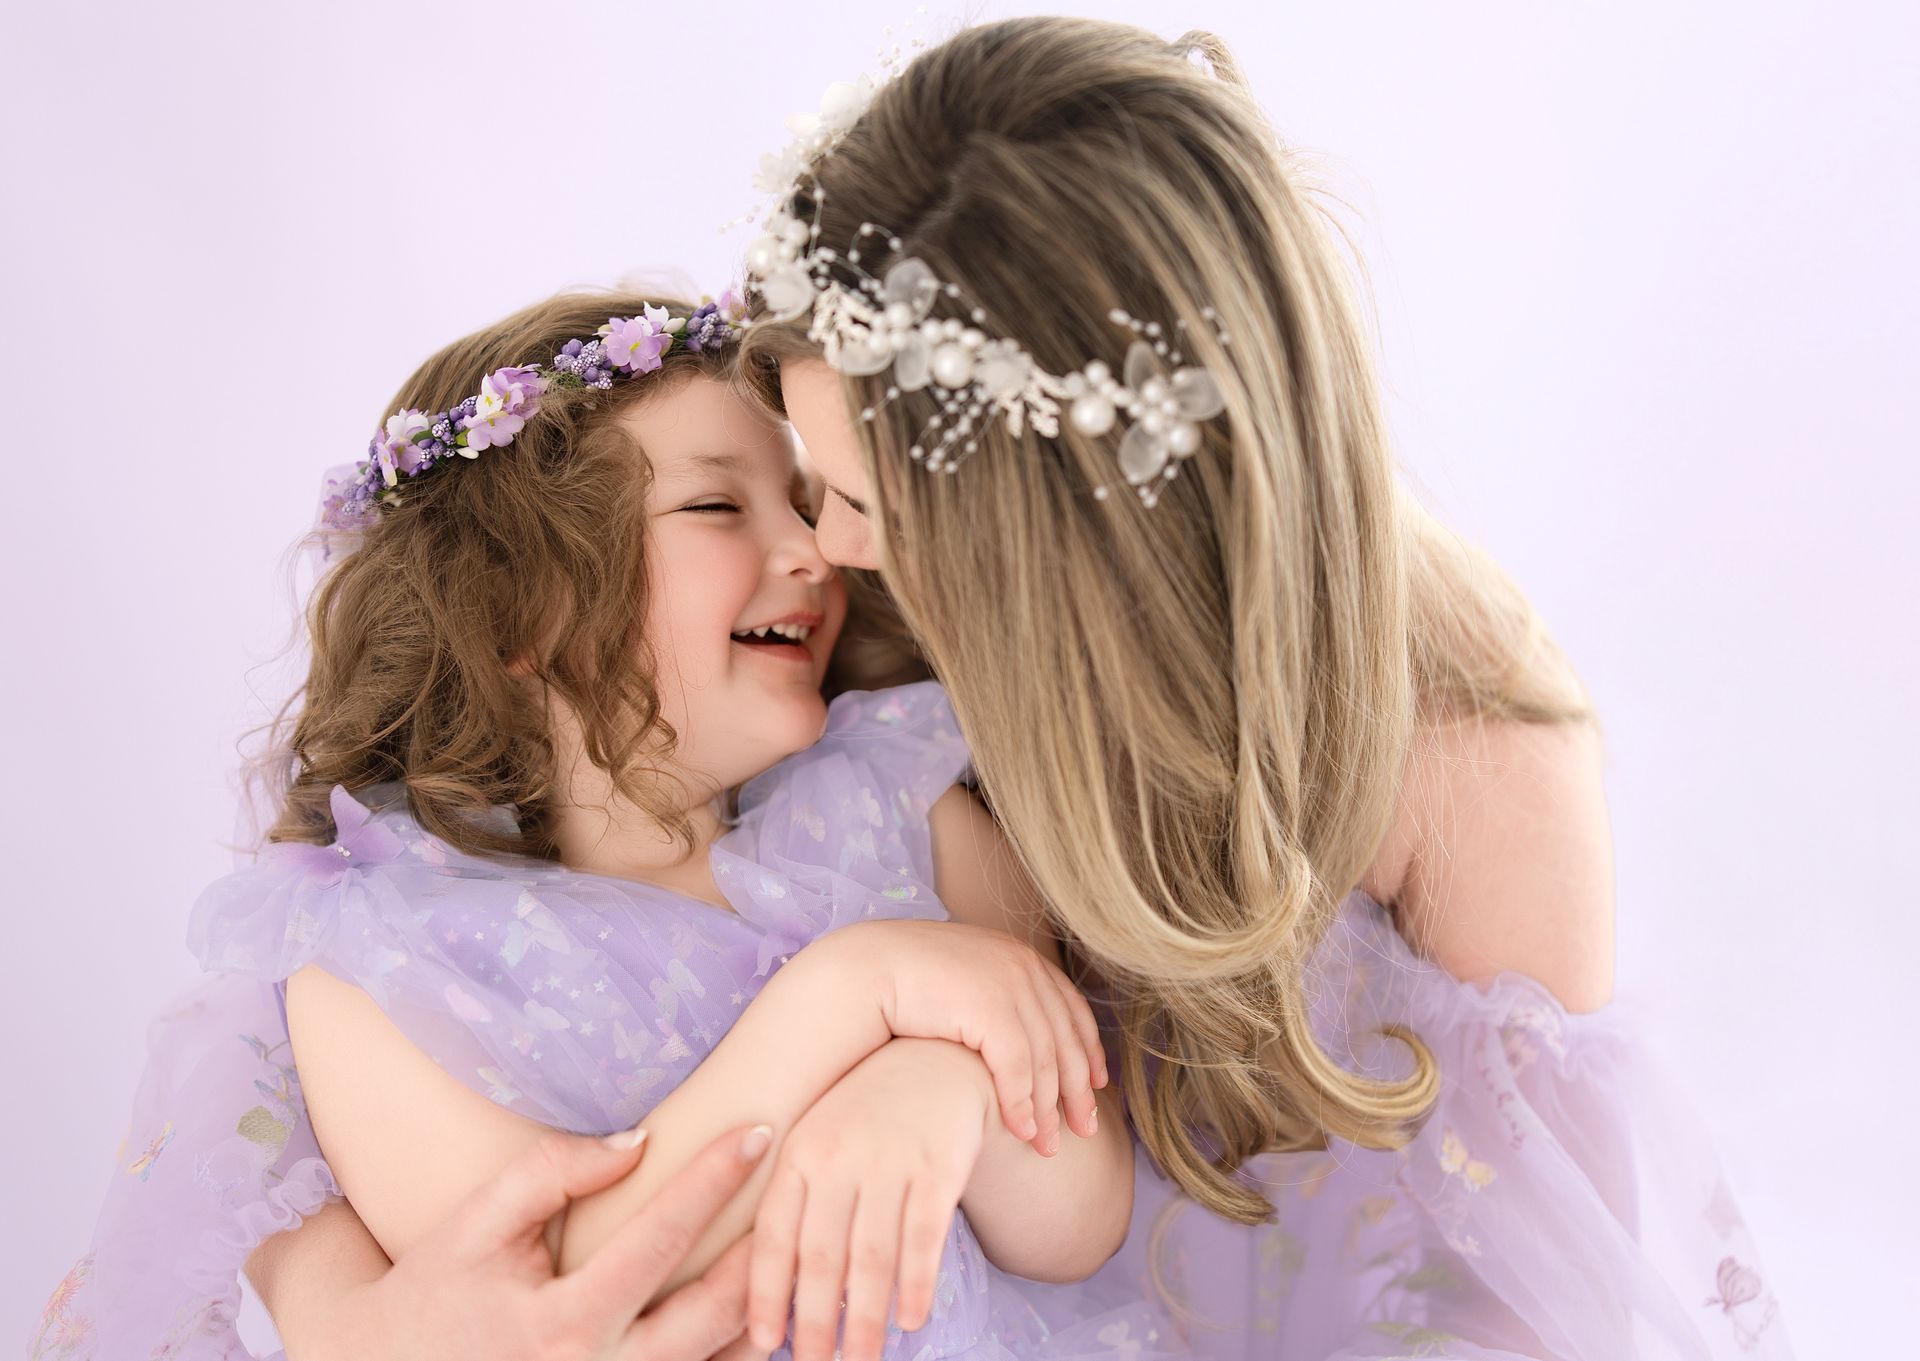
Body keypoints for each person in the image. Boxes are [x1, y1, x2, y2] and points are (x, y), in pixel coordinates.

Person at [732, 16, 1793, 1359]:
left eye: (867, 506)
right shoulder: (868, 640)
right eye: (815, 482)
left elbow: (1523, 1301)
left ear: (1067, 544)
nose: (822, 547)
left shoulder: (1468, 752)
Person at [36, 290, 1171, 1361]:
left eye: (804, 499)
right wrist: (851, 990)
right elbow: (556, 1290)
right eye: (718, 506)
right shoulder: (385, 958)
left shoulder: (907, 815)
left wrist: (946, 1092)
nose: (815, 548)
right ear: (518, 608)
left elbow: (1082, 1220)